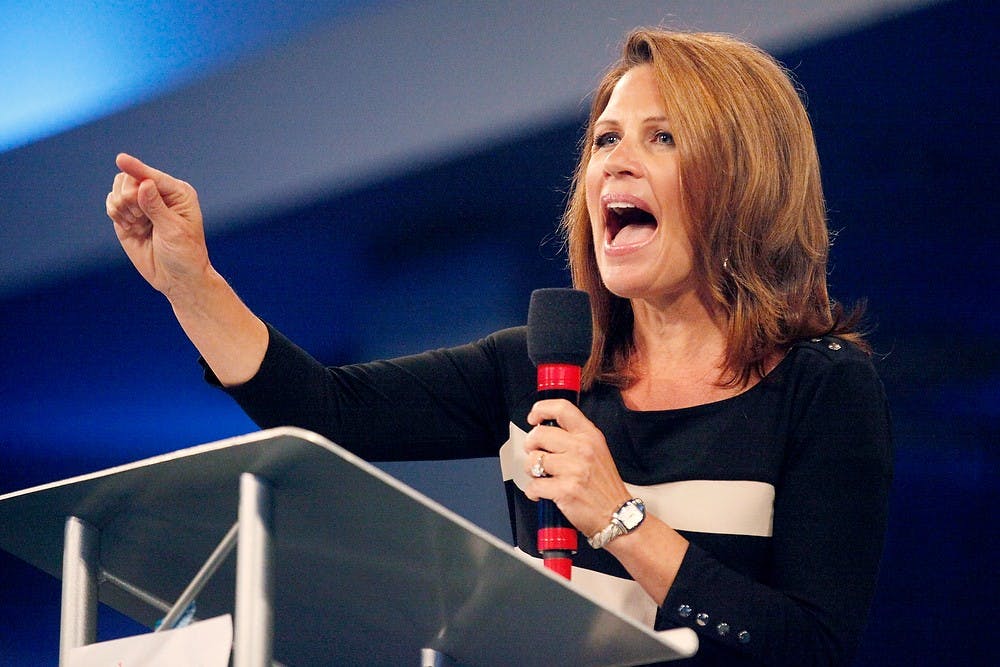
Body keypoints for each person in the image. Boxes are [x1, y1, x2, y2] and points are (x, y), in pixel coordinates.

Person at [106, 28, 892, 666]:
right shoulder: (535, 368)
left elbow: (813, 645)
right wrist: (191, 282)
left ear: (747, 178)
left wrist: (620, 518)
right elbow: (323, 409)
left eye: (662, 138)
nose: (613, 160)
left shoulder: (822, 389)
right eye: (604, 138)